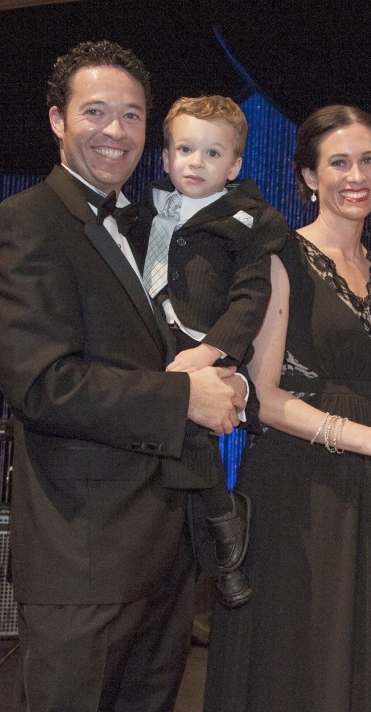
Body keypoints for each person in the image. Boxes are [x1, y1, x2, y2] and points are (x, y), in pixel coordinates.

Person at [0, 40, 247, 712]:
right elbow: (44, 385)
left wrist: (219, 378)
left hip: (162, 554)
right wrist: (185, 397)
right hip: (83, 560)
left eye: (131, 115)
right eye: (95, 111)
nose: (115, 130)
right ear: (56, 120)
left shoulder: (153, 225)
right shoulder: (26, 223)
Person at [202, 105, 371, 712]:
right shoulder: (280, 257)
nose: (356, 174)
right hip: (296, 487)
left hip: (364, 494)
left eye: (368, 160)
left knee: (348, 656)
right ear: (309, 177)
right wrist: (370, 440)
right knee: (293, 662)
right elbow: (261, 395)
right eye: (339, 162)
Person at [125, 95, 288, 608]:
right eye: (185, 150)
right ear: (167, 157)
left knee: (195, 431)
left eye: (212, 154)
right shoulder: (137, 210)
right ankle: (219, 535)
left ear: (235, 165)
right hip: (147, 343)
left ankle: (223, 533)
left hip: (200, 344)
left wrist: (216, 351)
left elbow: (250, 296)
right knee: (169, 432)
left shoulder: (246, 220)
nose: (196, 163)